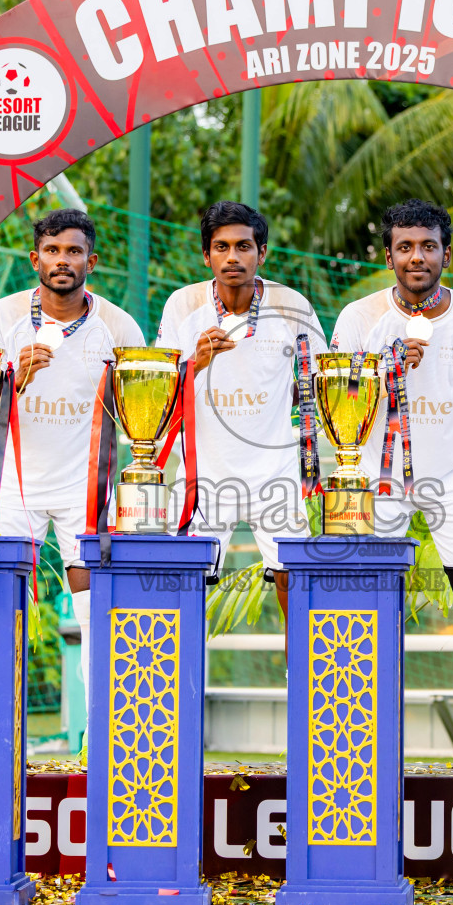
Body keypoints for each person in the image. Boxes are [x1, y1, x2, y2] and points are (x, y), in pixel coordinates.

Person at [330, 199, 453, 695]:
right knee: (363, 605)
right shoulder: (360, 317)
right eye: (405, 247)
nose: (417, 257)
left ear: (446, 254)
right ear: (389, 257)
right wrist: (380, 367)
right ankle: (359, 719)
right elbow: (335, 405)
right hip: (375, 478)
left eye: (428, 246)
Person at [0, 207, 145, 704]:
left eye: (73, 251)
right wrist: (15, 378)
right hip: (16, 483)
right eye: (52, 250)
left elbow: (141, 411)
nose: (62, 260)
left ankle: (100, 728)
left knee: (96, 612)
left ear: (91, 261)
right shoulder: (3, 317)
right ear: (35, 259)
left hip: (85, 488)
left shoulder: (118, 326)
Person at [156, 201, 328, 612]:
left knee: (295, 582)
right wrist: (194, 364)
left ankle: (298, 658)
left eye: (243, 246)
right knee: (184, 584)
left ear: (261, 253)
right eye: (221, 247)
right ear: (206, 255)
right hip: (205, 476)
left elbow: (320, 381)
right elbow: (159, 391)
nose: (232, 256)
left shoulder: (291, 304)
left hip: (275, 475)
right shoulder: (183, 304)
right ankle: (186, 660)